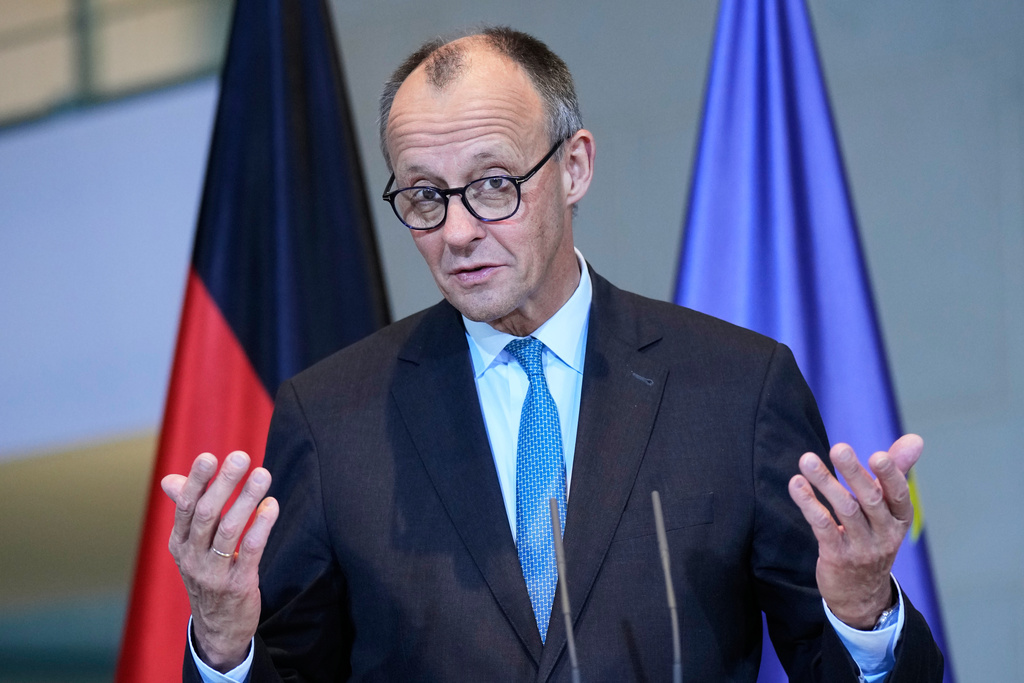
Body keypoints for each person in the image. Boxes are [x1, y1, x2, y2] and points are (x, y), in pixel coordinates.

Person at [163, 27, 943, 682]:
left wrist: (863, 609)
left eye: (494, 184)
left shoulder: (735, 387)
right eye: (425, 195)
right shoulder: (332, 418)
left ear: (574, 167)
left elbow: (831, 659)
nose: (458, 231)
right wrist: (226, 643)